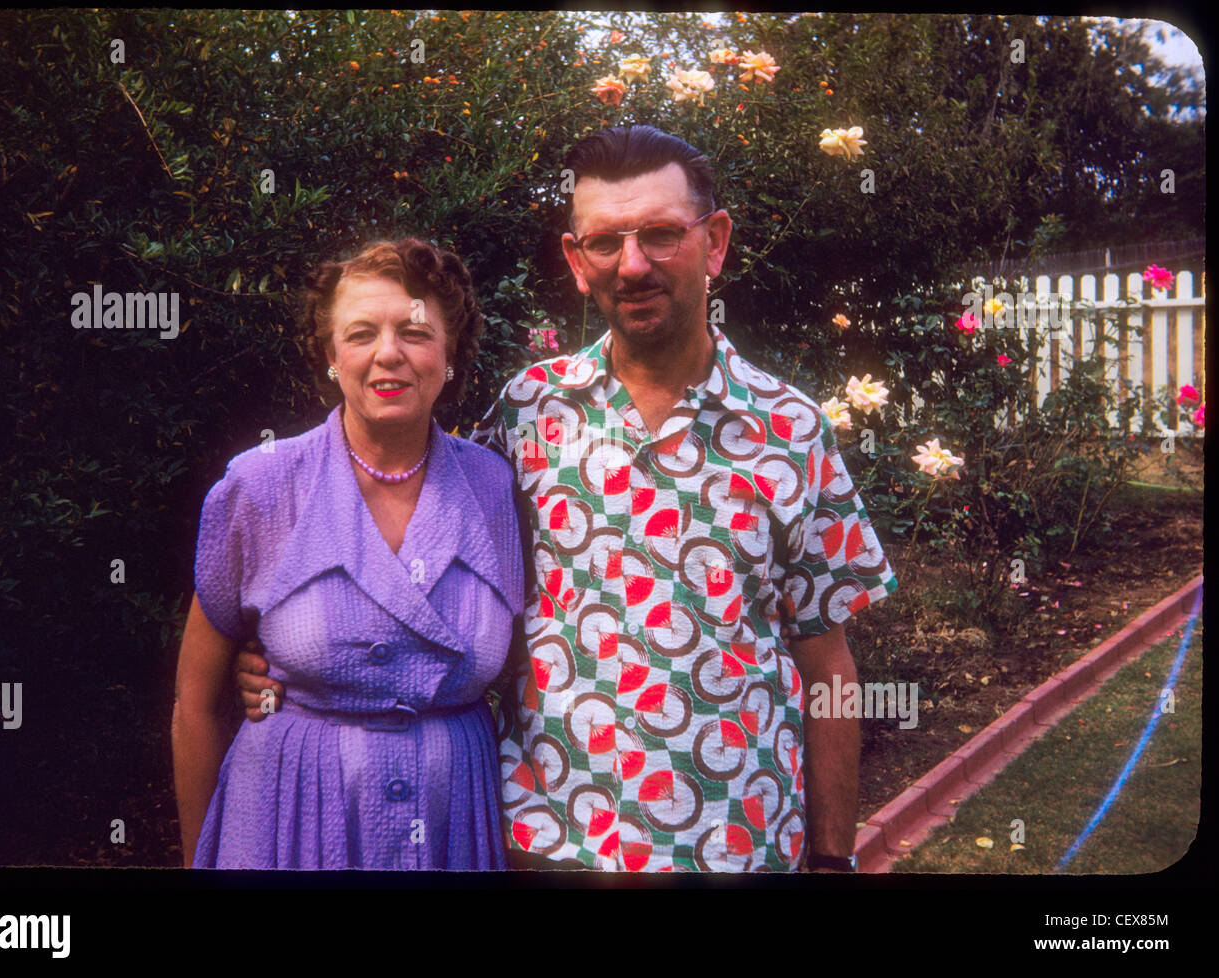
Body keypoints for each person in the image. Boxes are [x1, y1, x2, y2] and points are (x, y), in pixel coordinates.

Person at [238, 126, 898, 872]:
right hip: (544, 847)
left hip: (736, 846)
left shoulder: (792, 431)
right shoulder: (528, 413)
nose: (634, 264)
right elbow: (428, 567)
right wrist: (288, 655)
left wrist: (835, 857)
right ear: (576, 260)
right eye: (605, 242)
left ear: (714, 243)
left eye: (659, 235)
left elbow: (828, 662)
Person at [173, 238, 524, 869]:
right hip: (289, 825)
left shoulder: (496, 486)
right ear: (331, 356)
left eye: (415, 332)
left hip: (451, 831)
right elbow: (194, 704)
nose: (388, 353)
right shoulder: (261, 486)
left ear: (450, 354)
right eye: (361, 333)